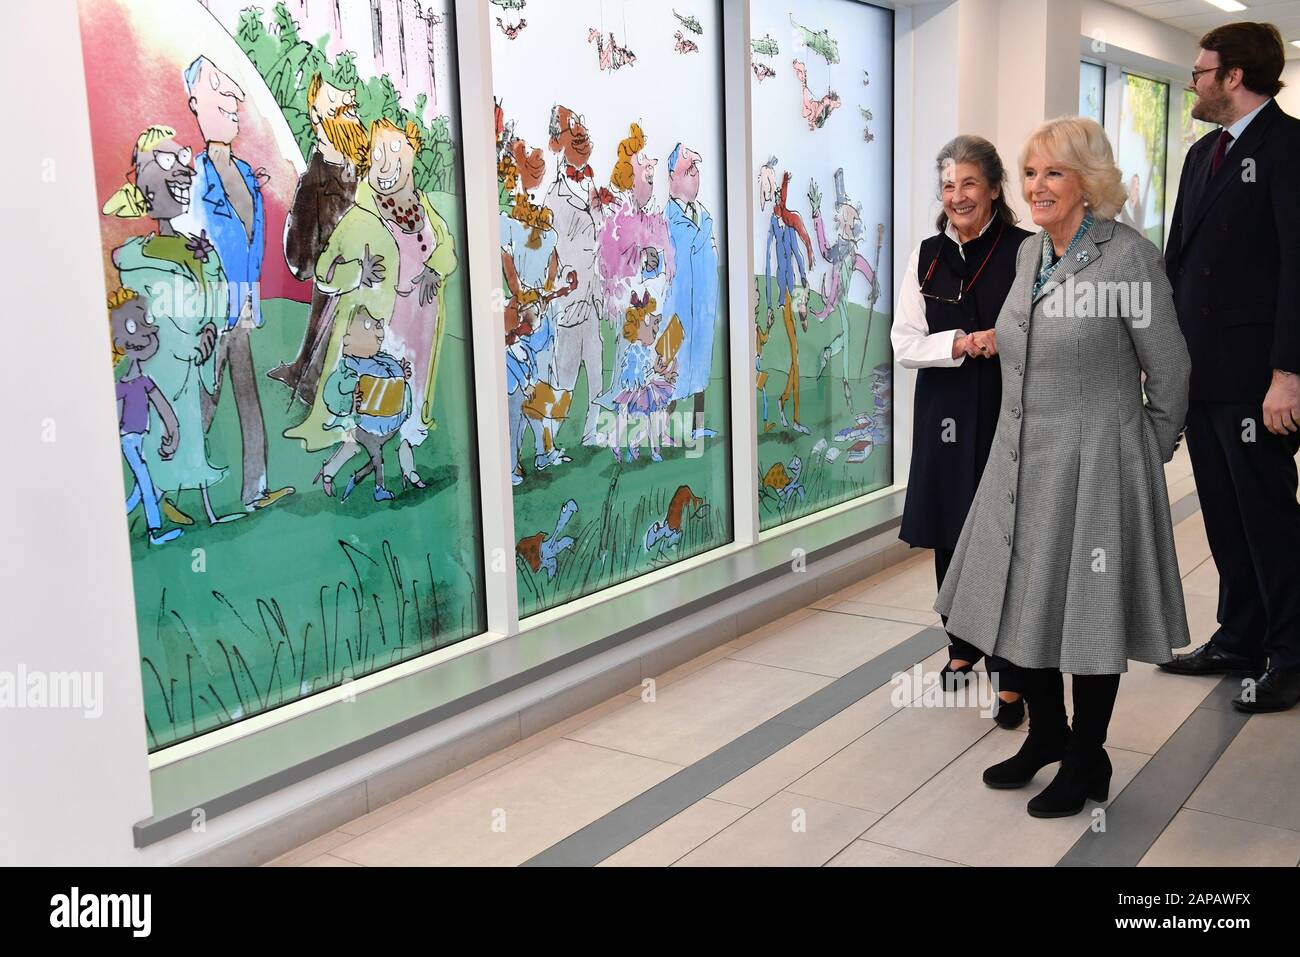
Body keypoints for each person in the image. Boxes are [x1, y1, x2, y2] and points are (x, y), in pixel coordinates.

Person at [936, 117, 1192, 818]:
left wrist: (1142, 450)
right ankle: (1046, 734)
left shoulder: (1127, 258)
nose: (1036, 185)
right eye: (1028, 172)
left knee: (1089, 613)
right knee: (1023, 602)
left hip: (1095, 463)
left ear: (1088, 183)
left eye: (1053, 172)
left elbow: (1170, 370)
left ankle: (1088, 755)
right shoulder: (1029, 256)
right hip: (1022, 458)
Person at [1159, 22, 1300, 713]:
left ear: (1235, 75)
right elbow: (1177, 259)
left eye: (1200, 69)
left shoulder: (1289, 147)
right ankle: (1239, 635)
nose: (1194, 80)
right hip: (1203, 373)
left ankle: (1293, 653)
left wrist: (1289, 373)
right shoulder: (1202, 155)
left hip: (1258, 379)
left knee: (1267, 516)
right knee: (1222, 514)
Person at [891, 135, 1033, 728]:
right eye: (948, 187)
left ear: (995, 189)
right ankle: (961, 644)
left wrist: (1009, 339)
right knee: (950, 527)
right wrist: (960, 342)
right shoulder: (926, 254)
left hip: (1010, 407)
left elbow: (1043, 327)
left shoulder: (1026, 251)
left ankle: (1010, 670)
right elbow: (904, 342)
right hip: (945, 408)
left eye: (969, 184)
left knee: (1004, 533)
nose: (958, 197)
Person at [286, 118, 457, 492]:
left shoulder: (425, 208)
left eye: (396, 152)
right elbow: (325, 271)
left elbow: (447, 250)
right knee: (370, 401)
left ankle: (407, 463)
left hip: (421, 326)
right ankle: (343, 466)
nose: (385, 163)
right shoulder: (359, 212)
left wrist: (433, 268)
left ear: (413, 155)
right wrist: (357, 273)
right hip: (380, 328)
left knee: (411, 393)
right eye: (377, 153)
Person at [180, 56, 293, 512]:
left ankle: (255, 490)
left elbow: (252, 241)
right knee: (207, 399)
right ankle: (177, 486)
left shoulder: (246, 174)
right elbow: (192, 247)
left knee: (246, 393)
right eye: (217, 92)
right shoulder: (195, 177)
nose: (231, 103)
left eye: (232, 95)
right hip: (212, 308)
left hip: (243, 303)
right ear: (195, 104)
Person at [269, 74, 367, 401]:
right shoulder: (316, 173)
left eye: (347, 106)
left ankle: (318, 382)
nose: (347, 108)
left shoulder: (357, 168)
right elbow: (300, 248)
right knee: (320, 315)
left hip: (354, 268)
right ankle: (304, 372)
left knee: (341, 328)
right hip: (327, 262)